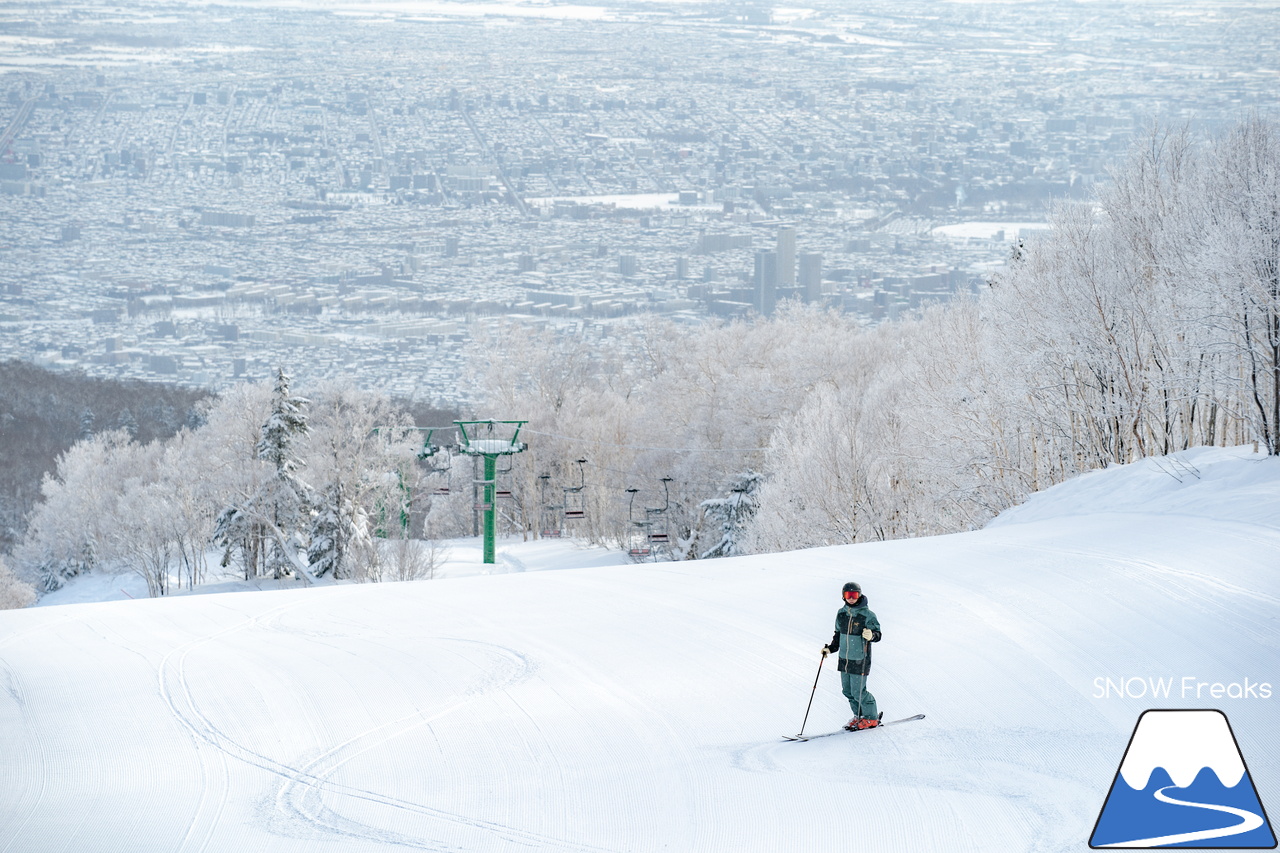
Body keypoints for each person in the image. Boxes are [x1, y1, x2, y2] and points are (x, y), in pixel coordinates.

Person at [822, 581, 882, 730]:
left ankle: (871, 718)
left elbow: (878, 635)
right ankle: (859, 716)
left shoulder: (868, 615)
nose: (851, 598)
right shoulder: (841, 614)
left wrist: (871, 635)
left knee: (858, 692)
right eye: (848, 595)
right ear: (843, 596)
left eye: (854, 595)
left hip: (860, 659)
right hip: (844, 660)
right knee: (847, 691)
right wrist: (830, 649)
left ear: (859, 595)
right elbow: (838, 635)